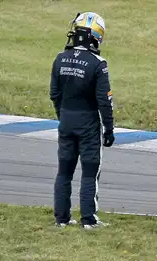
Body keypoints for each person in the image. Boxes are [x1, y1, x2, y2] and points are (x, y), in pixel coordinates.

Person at [50, 11, 115, 229]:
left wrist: (63, 116)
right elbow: (104, 101)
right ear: (95, 36)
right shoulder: (98, 63)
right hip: (88, 124)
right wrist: (109, 128)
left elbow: (54, 94)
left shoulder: (60, 58)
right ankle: (89, 219)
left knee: (64, 171)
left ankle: (62, 218)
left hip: (66, 120)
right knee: (90, 171)